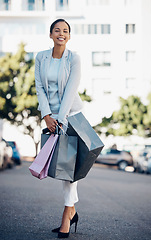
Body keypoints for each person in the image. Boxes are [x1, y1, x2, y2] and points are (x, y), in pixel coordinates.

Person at [35, 19, 83, 238]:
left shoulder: (74, 58)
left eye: (65, 31)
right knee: (60, 168)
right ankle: (72, 211)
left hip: (70, 116)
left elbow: (71, 89)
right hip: (50, 117)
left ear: (69, 36)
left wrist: (60, 119)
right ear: (51, 34)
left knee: (68, 170)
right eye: (57, 30)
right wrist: (46, 115)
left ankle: (66, 216)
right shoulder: (41, 58)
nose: (61, 34)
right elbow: (39, 88)